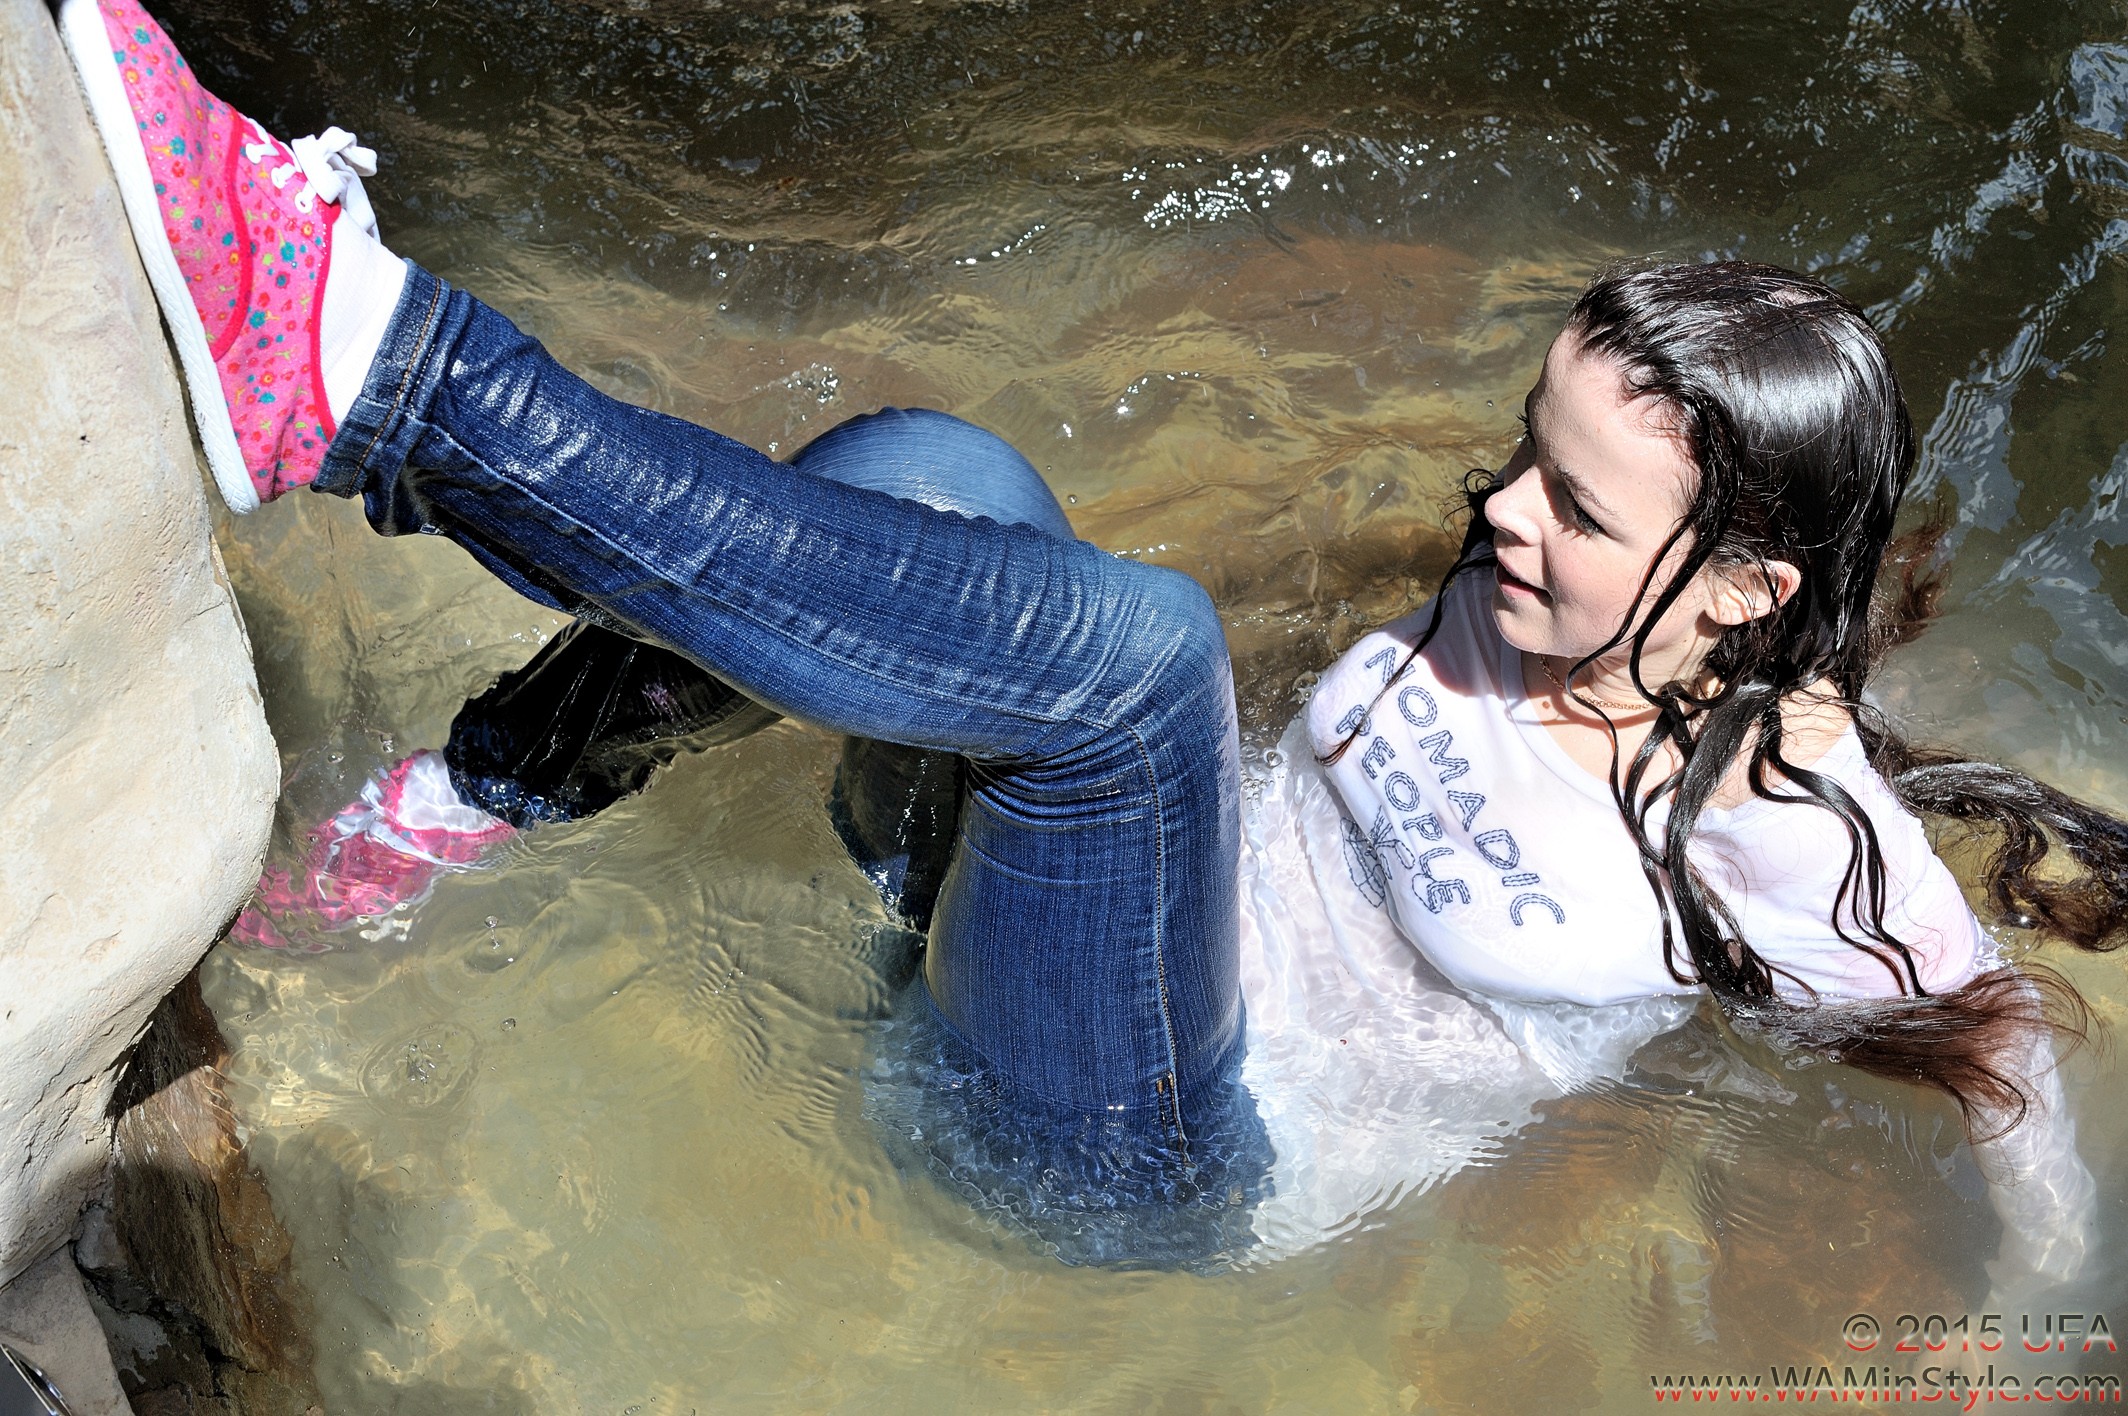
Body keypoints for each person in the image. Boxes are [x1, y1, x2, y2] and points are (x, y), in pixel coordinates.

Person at [63, 0, 2126, 1279]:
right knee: (933, 468)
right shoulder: (1522, 593)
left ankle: (371, 371)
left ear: (1749, 589)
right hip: (977, 945)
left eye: (1575, 507)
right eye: (1523, 454)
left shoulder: (1776, 813)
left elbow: (2000, 1065)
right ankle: (523, 767)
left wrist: (2008, 1338)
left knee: (1132, 659)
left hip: (1135, 1162)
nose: (1497, 509)